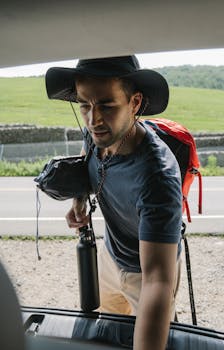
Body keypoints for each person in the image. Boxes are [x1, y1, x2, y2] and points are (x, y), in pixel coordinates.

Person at [45, 55, 182, 350]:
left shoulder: (157, 176)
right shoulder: (97, 134)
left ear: (134, 103)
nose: (93, 119)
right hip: (110, 256)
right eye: (84, 105)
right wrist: (79, 202)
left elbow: (158, 278)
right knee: (109, 331)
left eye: (106, 105)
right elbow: (87, 160)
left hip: (146, 270)